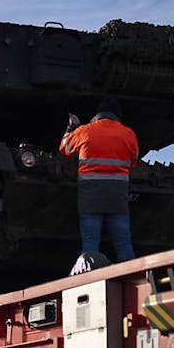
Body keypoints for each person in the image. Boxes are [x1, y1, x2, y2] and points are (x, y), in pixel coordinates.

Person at [59, 97, 139, 262]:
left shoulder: (85, 131)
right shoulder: (128, 134)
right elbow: (133, 161)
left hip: (90, 196)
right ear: (117, 115)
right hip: (117, 196)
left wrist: (71, 128)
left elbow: (64, 148)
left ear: (99, 114)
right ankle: (133, 275)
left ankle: (90, 275)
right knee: (123, 243)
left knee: (90, 243)